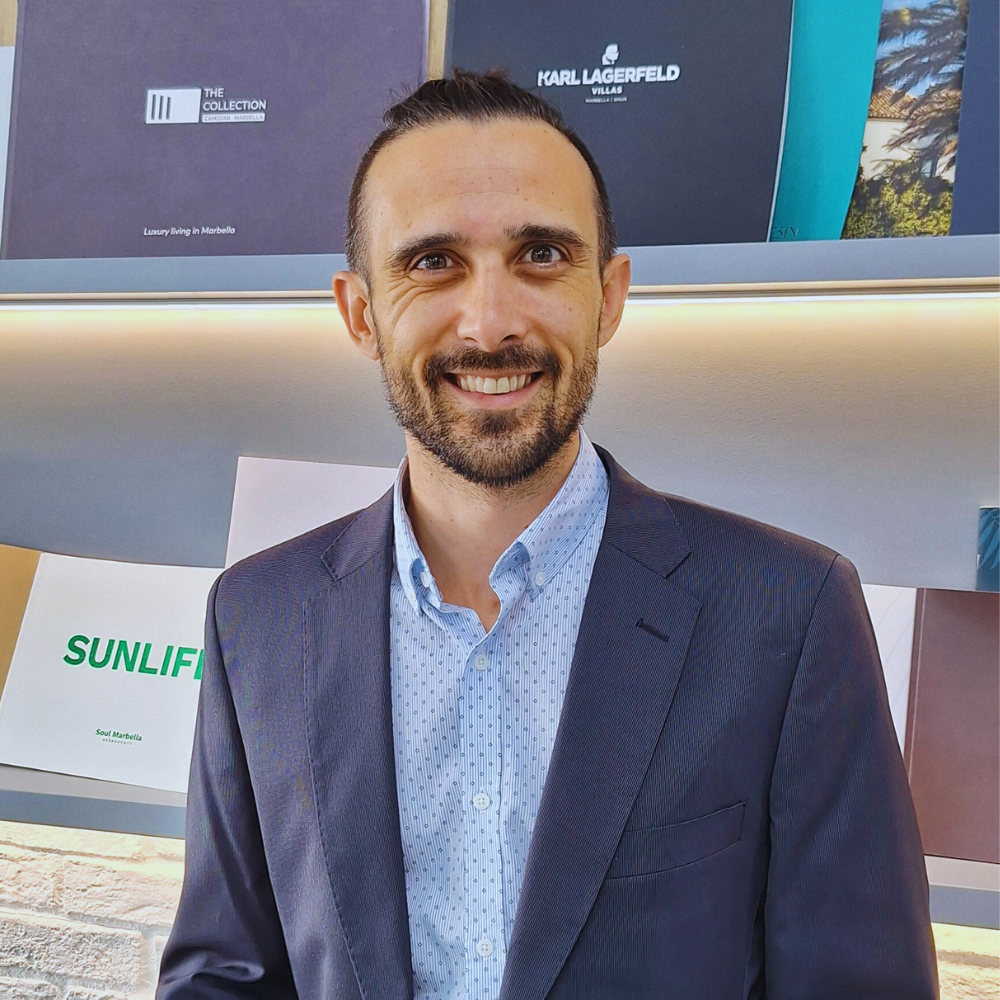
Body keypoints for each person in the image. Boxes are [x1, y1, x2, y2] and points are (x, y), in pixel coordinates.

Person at [157, 71, 938, 999]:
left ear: (608, 297)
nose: (490, 323)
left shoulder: (790, 612)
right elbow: (226, 974)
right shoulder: (257, 617)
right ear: (360, 313)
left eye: (540, 255)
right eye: (431, 262)